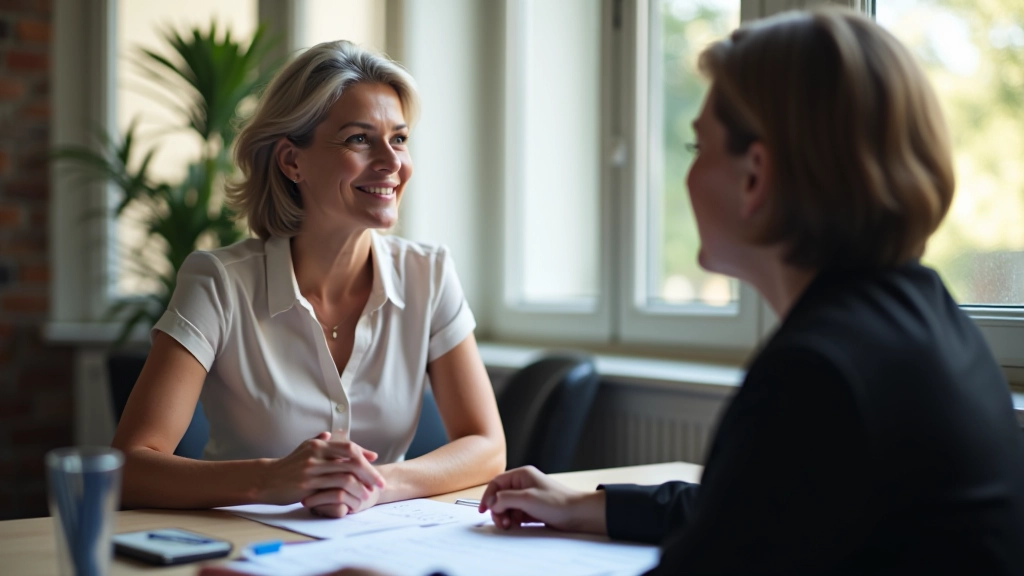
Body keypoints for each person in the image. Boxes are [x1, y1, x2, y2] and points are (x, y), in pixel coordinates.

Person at [479, 8, 1024, 575]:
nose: (688, 177)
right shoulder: (924, 320)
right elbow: (767, 508)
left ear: (755, 175)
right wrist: (583, 505)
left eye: (698, 148)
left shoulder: (817, 374)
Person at [111, 40, 506, 518]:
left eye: (399, 139)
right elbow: (129, 467)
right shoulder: (217, 283)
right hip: (246, 544)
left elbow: (487, 445)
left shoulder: (430, 274)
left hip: (383, 542)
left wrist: (378, 485)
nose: (392, 162)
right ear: (291, 161)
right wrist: (271, 478)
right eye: (359, 139)